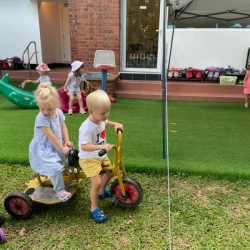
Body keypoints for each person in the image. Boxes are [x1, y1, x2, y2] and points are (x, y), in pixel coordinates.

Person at [78, 90, 123, 223]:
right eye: (103, 113)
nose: (106, 115)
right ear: (91, 111)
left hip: (100, 155)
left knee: (111, 171)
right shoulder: (87, 128)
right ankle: (94, 207)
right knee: (96, 182)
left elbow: (106, 122)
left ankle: (101, 191)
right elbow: (84, 146)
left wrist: (115, 124)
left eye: (107, 111)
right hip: (89, 158)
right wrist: (101, 147)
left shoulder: (100, 119)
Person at [29, 82, 73, 202]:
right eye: (42, 108)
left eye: (49, 109)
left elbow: (63, 127)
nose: (45, 111)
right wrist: (61, 148)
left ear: (57, 104)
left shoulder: (58, 112)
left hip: (56, 144)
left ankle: (65, 175)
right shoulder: (41, 117)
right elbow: (50, 136)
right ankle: (59, 190)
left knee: (68, 158)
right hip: (44, 148)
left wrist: (67, 141)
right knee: (55, 166)